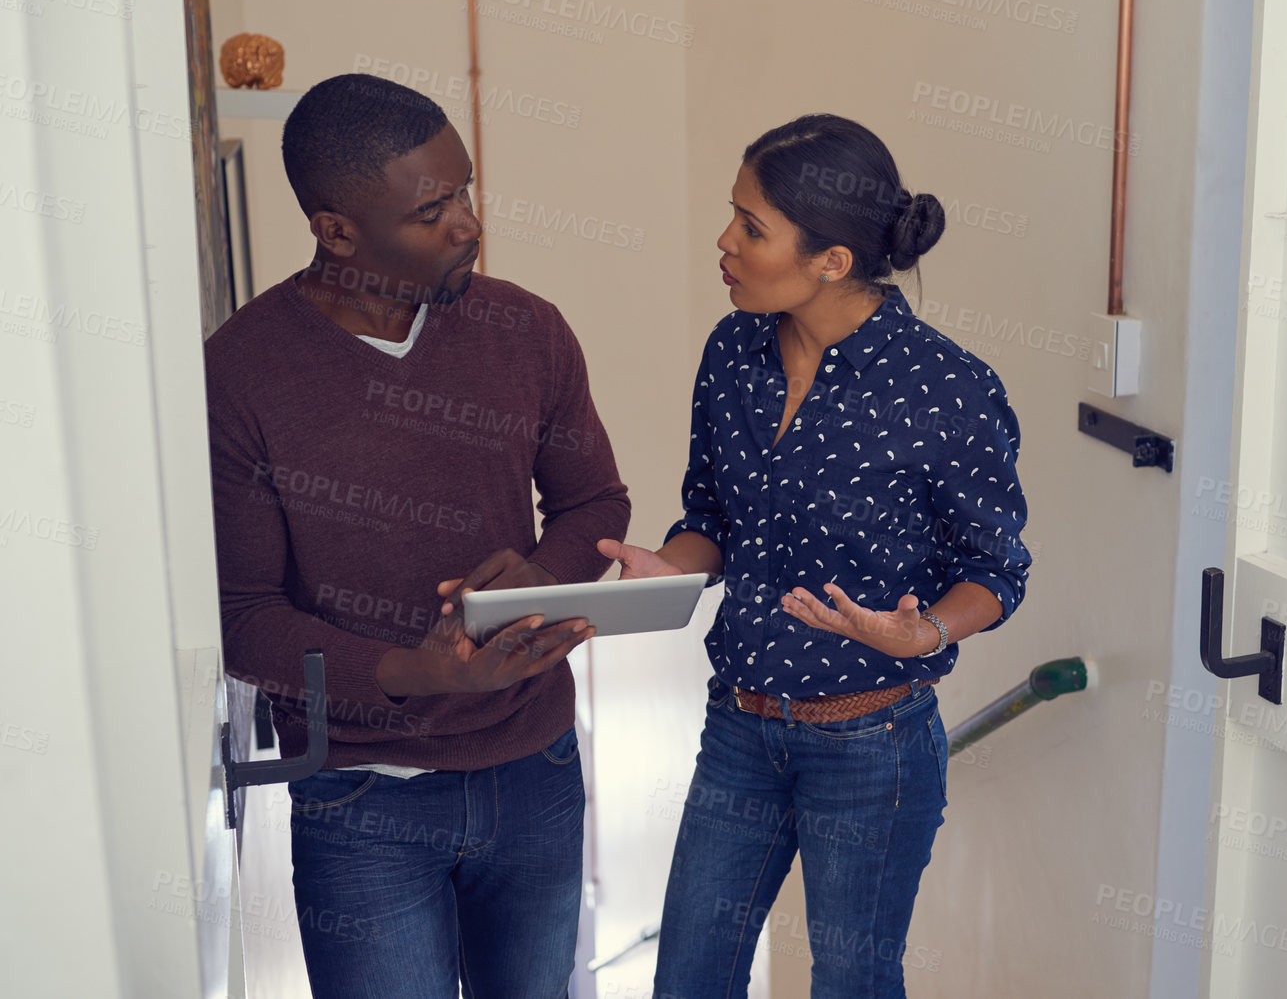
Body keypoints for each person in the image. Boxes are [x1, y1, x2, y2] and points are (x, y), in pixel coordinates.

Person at [205, 74, 629, 998]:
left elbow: (596, 503)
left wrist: (543, 570)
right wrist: (414, 671)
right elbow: (243, 617)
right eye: (433, 209)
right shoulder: (240, 372)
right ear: (337, 230)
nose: (467, 223)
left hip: (537, 765)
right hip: (362, 797)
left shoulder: (527, 329)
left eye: (464, 190)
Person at [598, 114, 1032, 998]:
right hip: (738, 728)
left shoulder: (947, 386)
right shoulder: (734, 353)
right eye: (734, 214)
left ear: (830, 259)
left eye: (750, 227)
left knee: (851, 981)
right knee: (687, 978)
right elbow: (711, 514)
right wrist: (673, 567)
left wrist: (926, 633)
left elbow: (996, 568)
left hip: (873, 743)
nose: (723, 241)